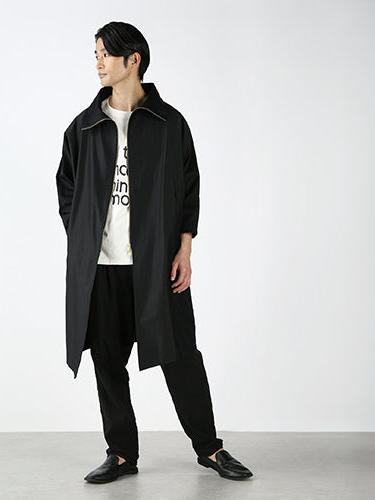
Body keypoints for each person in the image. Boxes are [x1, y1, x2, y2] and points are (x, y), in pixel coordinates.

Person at [56, 21, 253, 483]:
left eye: (106, 54)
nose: (98, 63)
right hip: (102, 268)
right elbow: (66, 187)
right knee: (107, 362)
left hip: (156, 264)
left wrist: (185, 247)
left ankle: (210, 448)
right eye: (96, 54)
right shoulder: (84, 127)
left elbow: (189, 188)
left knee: (180, 354)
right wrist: (82, 239)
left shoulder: (169, 124)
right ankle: (122, 454)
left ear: (134, 60)